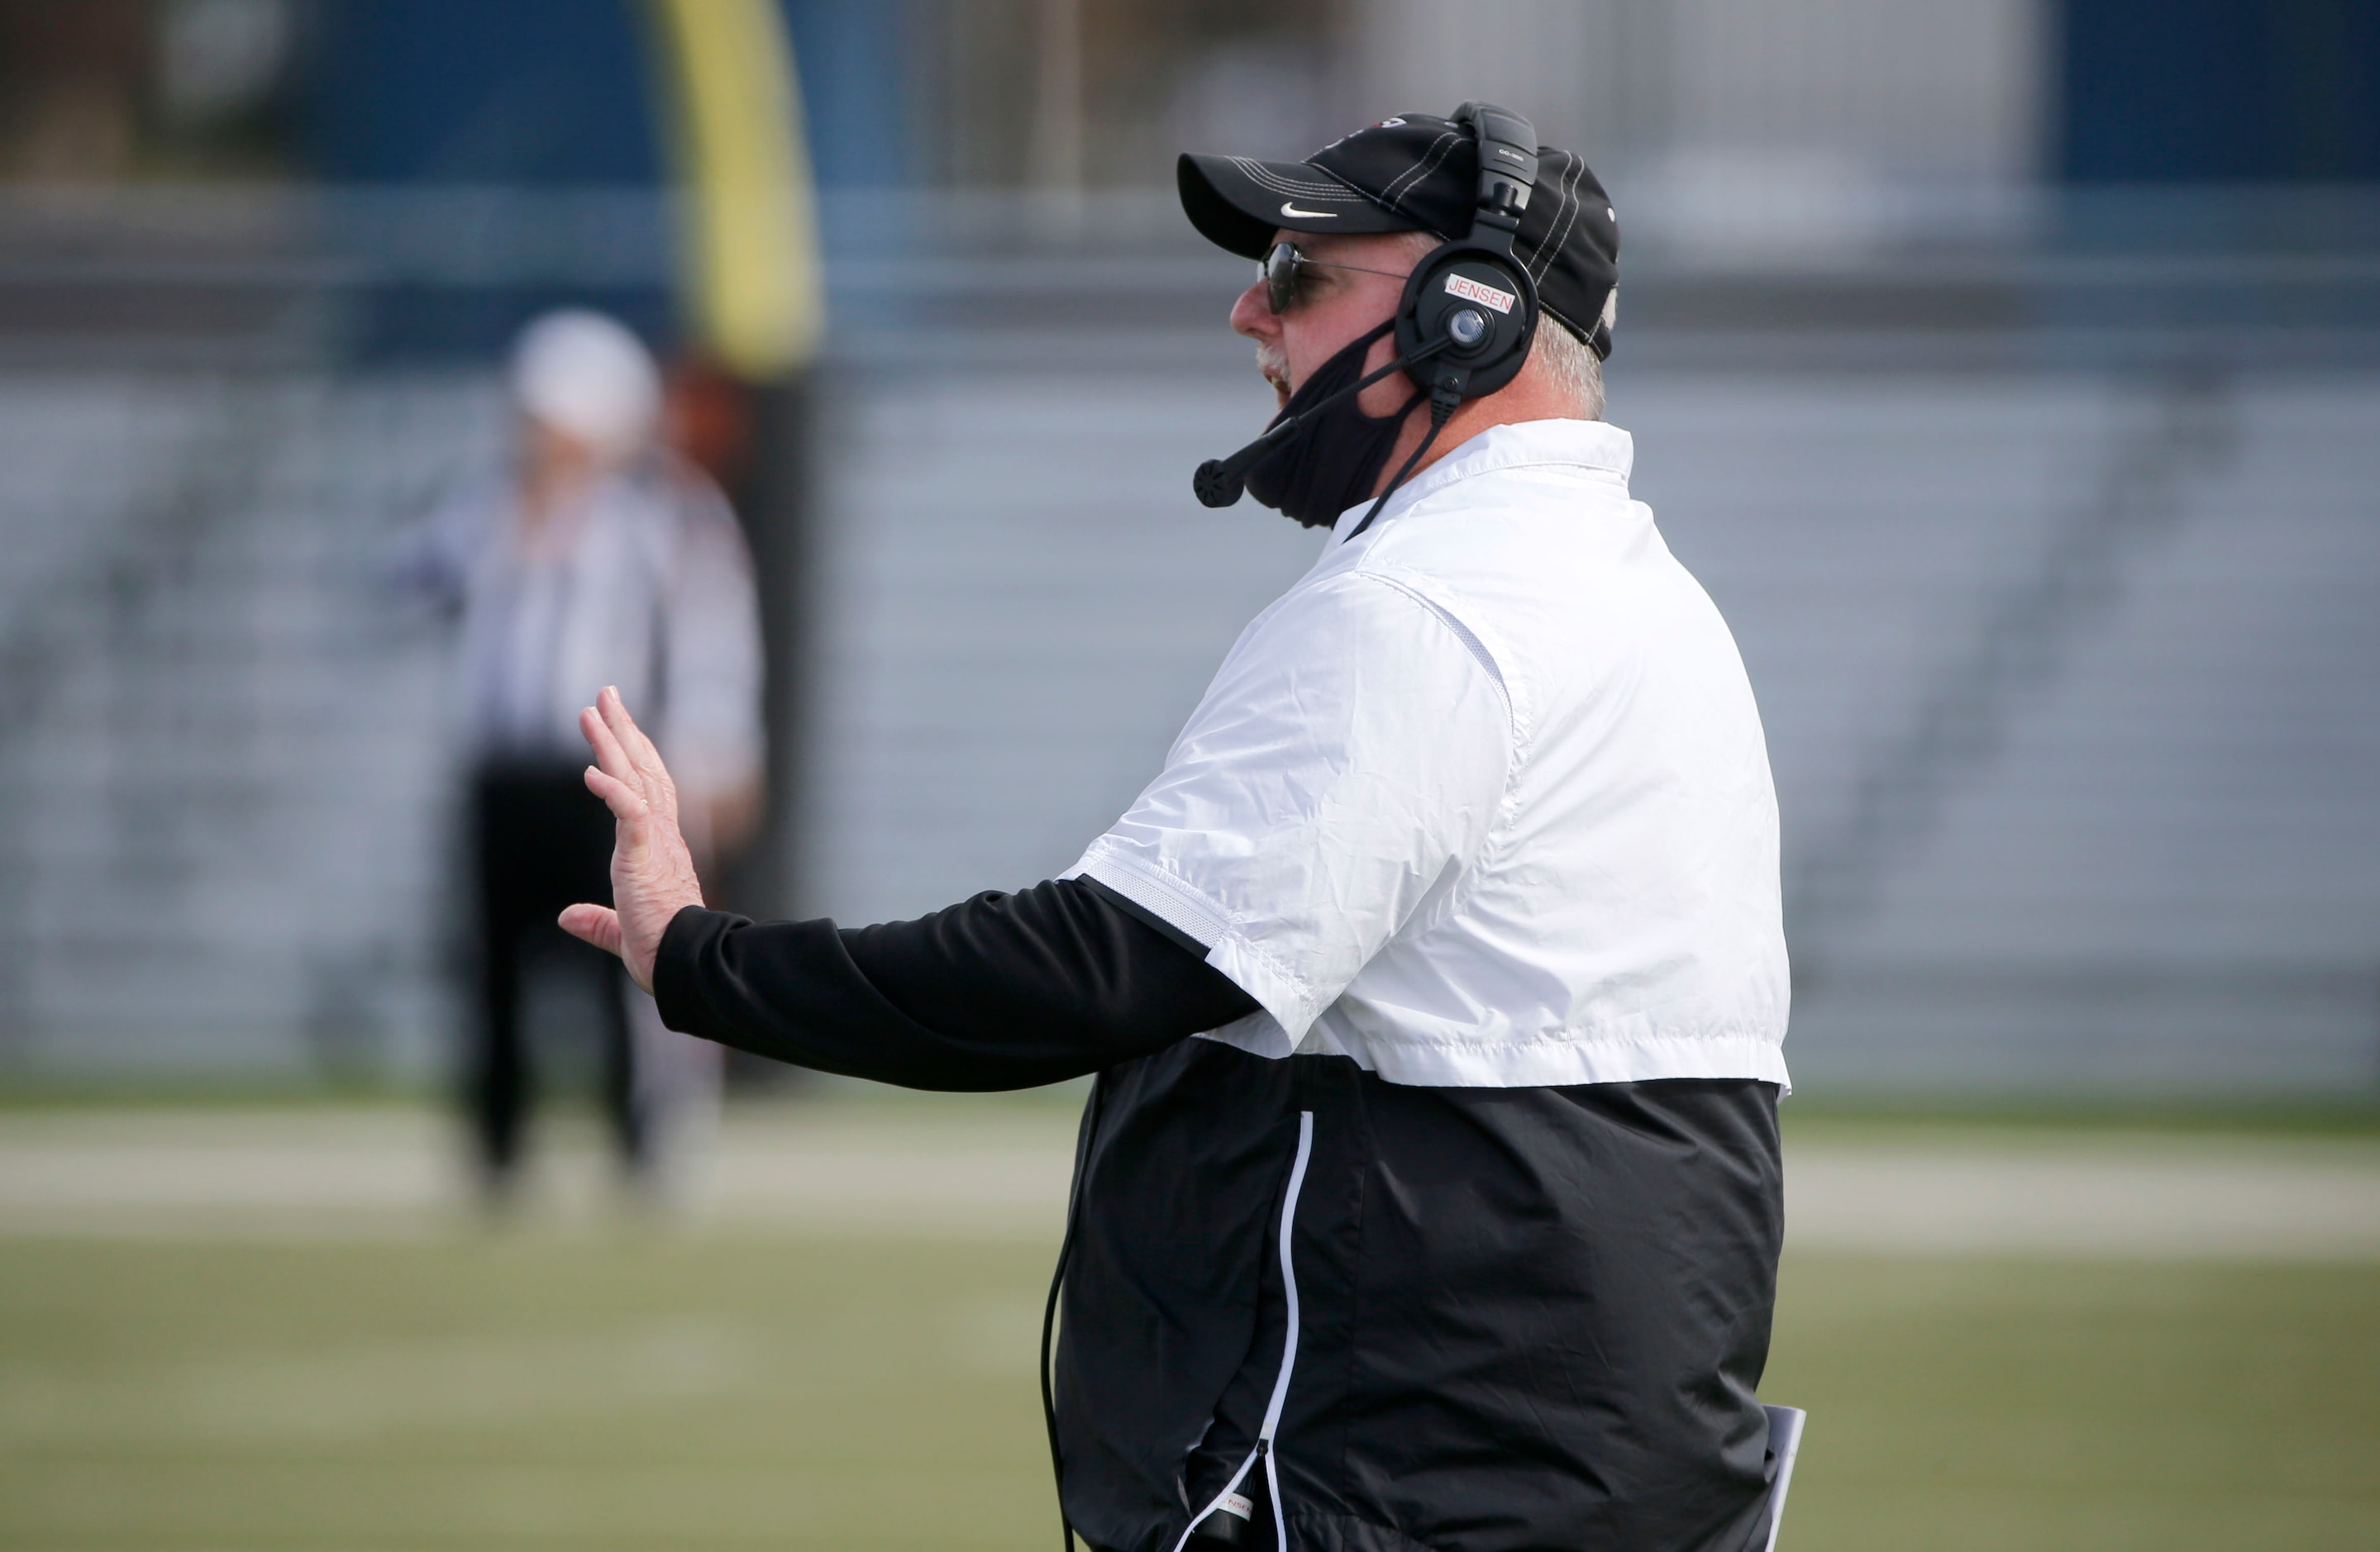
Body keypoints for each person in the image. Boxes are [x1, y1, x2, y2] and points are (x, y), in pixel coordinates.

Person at [562, 106, 1791, 1552]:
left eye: (1296, 273)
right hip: (1593, 1472)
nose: (1245, 310)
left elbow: (1108, 965)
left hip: (1413, 1480)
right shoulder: (1647, 600)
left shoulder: (1429, 608)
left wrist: (707, 961)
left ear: (1472, 313)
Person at [393, 309, 764, 1203]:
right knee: (491, 967)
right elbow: (399, 581)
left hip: (596, 779)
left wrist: (718, 751)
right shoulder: (484, 511)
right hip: (500, 772)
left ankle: (640, 1142)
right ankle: (497, 1149)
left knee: (621, 966)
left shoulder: (658, 516)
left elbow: (710, 642)